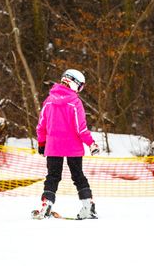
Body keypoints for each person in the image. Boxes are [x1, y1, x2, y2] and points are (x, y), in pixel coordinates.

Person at [34, 69, 100, 220]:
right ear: (75, 84)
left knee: (52, 176)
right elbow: (81, 128)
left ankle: (46, 205)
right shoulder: (75, 103)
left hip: (53, 146)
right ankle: (88, 205)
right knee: (78, 176)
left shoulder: (48, 101)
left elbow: (41, 125)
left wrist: (42, 142)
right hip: (73, 147)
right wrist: (91, 144)